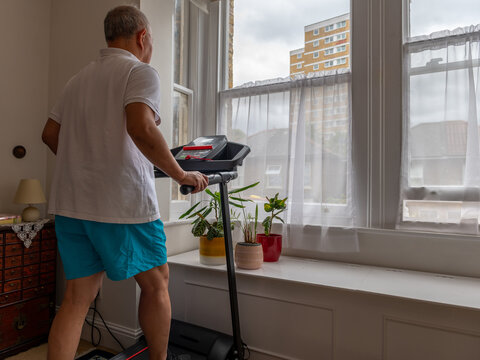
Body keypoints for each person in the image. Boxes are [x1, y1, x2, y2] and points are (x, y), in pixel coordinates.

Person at [41, 5, 207, 360]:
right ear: (143, 36)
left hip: (72, 205)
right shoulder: (140, 71)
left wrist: (84, 166)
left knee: (75, 299)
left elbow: (49, 133)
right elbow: (142, 128)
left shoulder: (77, 80)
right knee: (156, 283)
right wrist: (183, 174)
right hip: (122, 206)